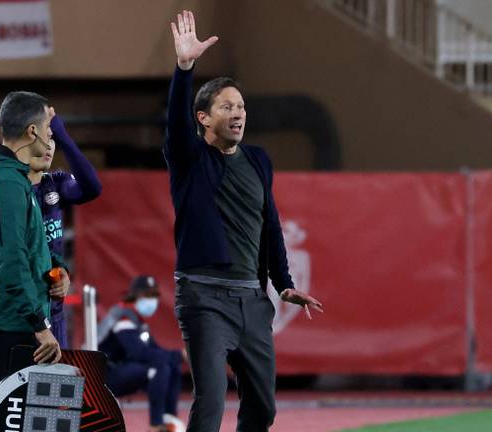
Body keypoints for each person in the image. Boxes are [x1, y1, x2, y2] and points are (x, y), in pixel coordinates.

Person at [165, 10, 324, 431]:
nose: (238, 113)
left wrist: (283, 281)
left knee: (263, 410)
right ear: (203, 118)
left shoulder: (258, 160)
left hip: (253, 301)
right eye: (226, 106)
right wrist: (185, 68)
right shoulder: (190, 159)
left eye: (241, 106)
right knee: (211, 403)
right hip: (203, 298)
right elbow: (175, 127)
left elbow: (269, 224)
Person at [0, 107, 101, 350]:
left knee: (52, 387)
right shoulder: (0, 190)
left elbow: (92, 187)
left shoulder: (55, 185)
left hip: (52, 312)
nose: (49, 146)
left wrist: (60, 269)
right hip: (15, 317)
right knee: (12, 387)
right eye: (46, 137)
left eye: (53, 139)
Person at [0, 91, 64, 393]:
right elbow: (11, 262)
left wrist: (57, 269)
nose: (50, 139)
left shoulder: (14, 179)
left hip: (13, 319)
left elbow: (26, 251)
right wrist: (40, 326)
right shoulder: (7, 183)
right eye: (48, 131)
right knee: (13, 422)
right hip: (14, 324)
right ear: (32, 131)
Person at [97, 276, 185, 432]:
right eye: (148, 295)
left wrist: (178, 356)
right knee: (159, 367)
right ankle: (156, 425)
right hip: (103, 375)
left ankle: (169, 418)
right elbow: (138, 353)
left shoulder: (138, 320)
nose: (152, 300)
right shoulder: (122, 315)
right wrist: (179, 355)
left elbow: (155, 350)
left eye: (155, 295)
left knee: (170, 365)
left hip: (122, 368)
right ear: (135, 295)